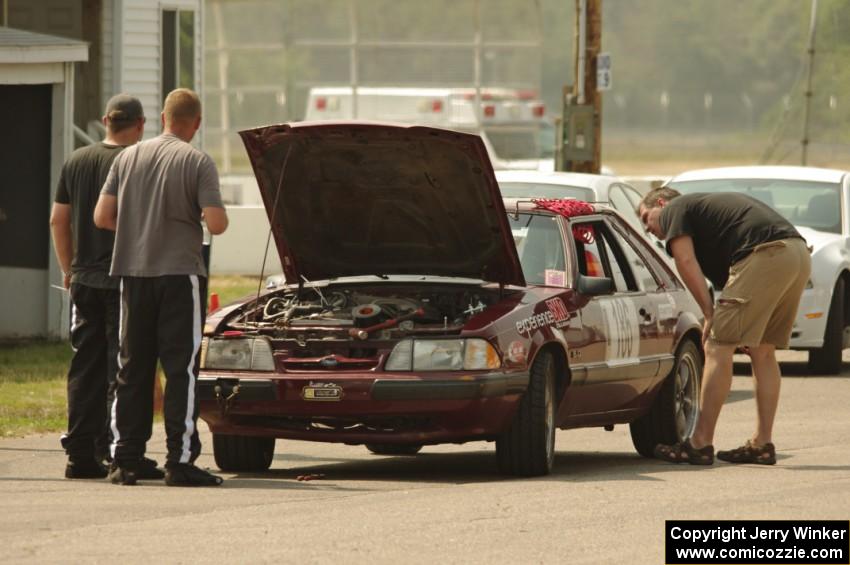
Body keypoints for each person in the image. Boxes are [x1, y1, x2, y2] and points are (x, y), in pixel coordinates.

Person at [94, 88, 228, 486]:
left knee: (132, 367)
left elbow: (103, 216)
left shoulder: (129, 156)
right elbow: (216, 223)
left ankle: (127, 459)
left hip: (132, 274)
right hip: (178, 275)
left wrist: (138, 230)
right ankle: (180, 460)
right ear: (196, 123)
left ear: (163, 118)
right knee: (180, 368)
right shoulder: (197, 161)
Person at [638, 187, 810, 466]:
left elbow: (684, 260)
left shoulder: (674, 208)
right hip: (797, 254)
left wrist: (709, 313)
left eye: (647, 218)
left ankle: (699, 443)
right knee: (763, 352)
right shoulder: (703, 216)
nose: (649, 229)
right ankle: (761, 444)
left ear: (660, 202)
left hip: (765, 254)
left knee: (718, 347)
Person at [50, 94, 161, 479]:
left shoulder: (76, 160)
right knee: (123, 366)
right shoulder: (134, 163)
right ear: (141, 124)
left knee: (84, 366)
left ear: (105, 121)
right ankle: (119, 451)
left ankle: (80, 453)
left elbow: (57, 221)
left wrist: (69, 269)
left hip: (82, 279)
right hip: (121, 279)